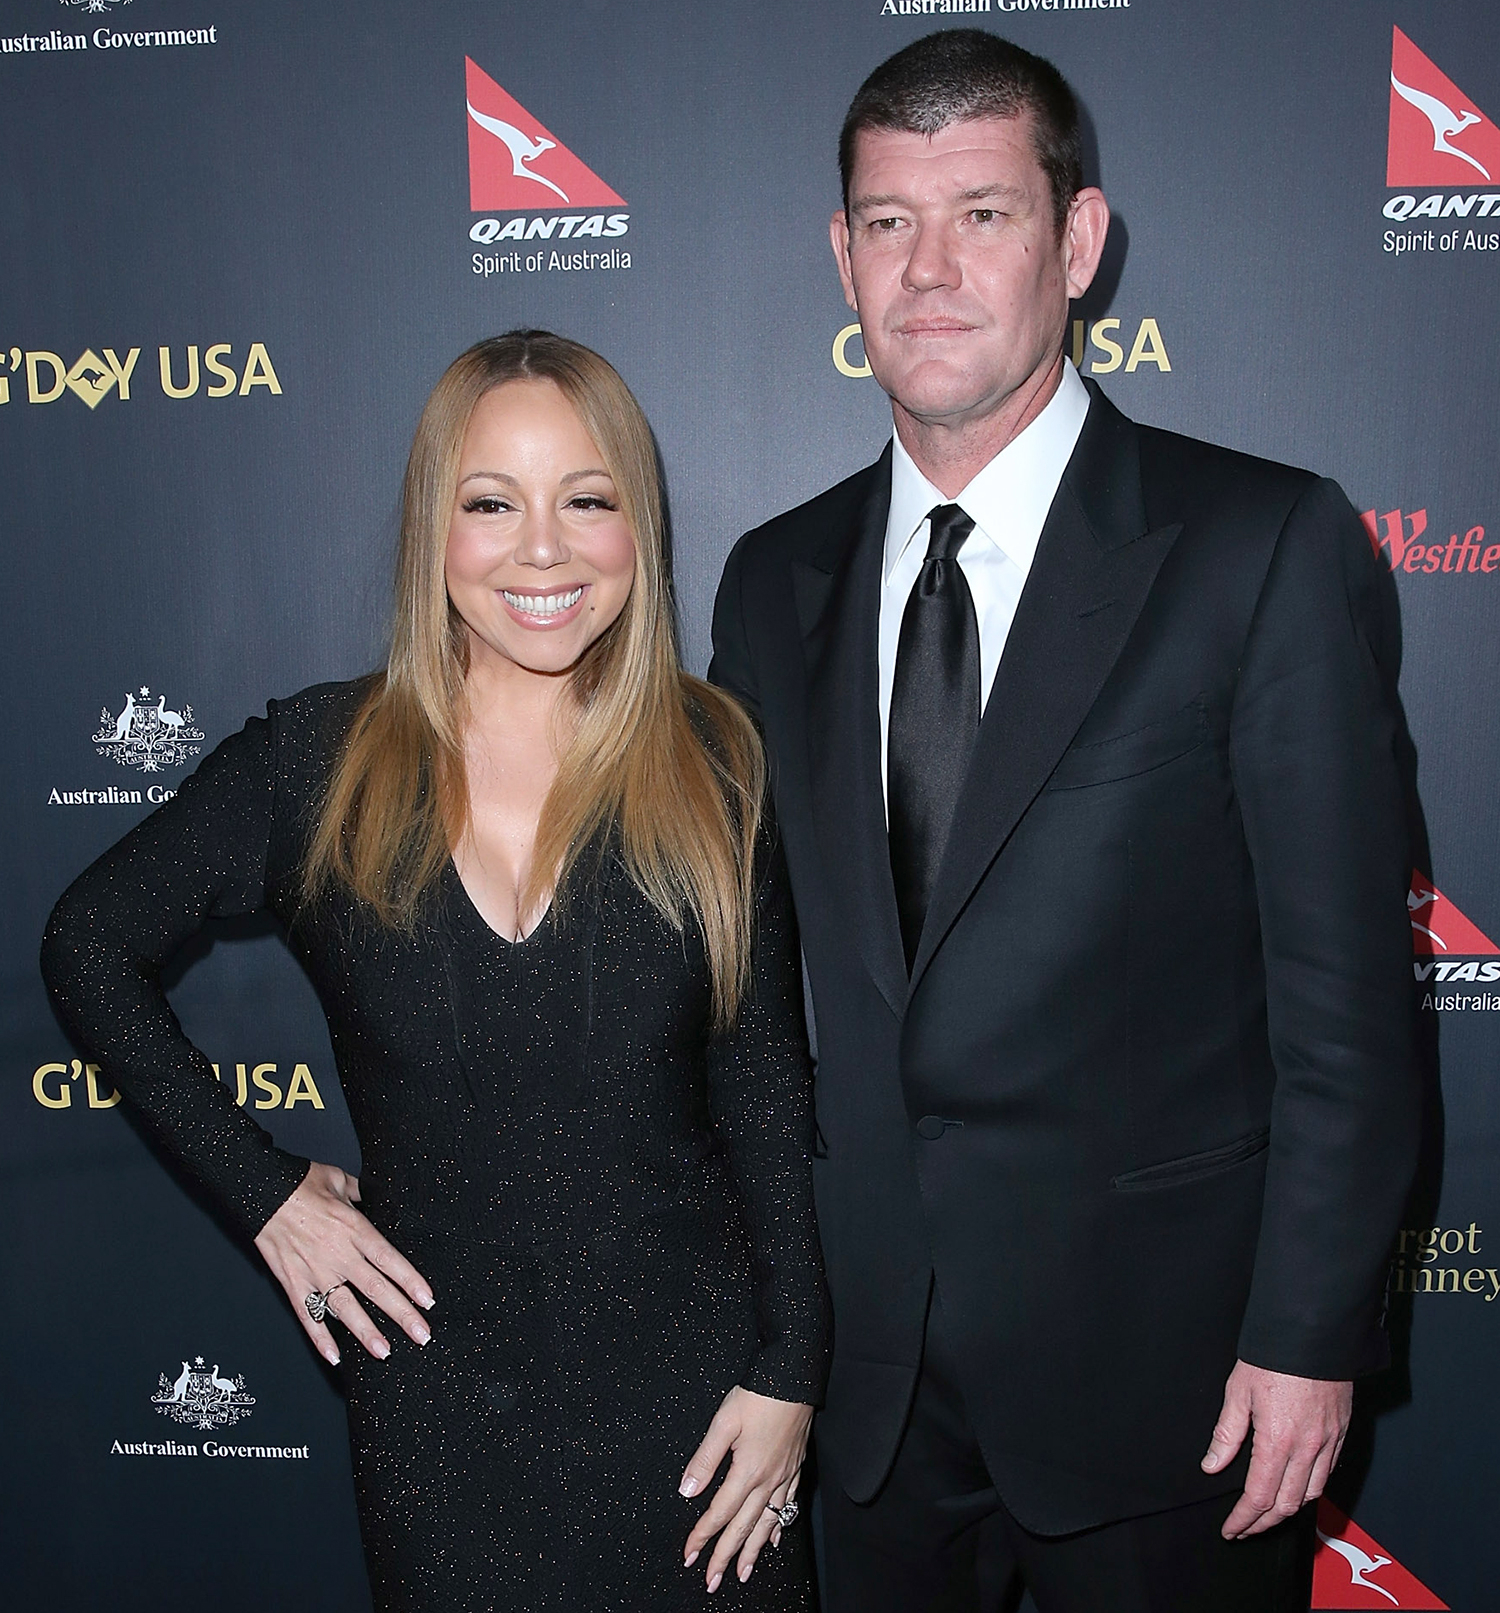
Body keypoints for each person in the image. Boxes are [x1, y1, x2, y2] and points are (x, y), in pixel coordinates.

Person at [709, 30, 1418, 1613]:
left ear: (1079, 242)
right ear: (841, 256)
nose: (931, 270)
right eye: (890, 222)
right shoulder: (774, 581)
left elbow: (1349, 1009)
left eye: (984, 215)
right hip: (871, 1384)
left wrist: (1309, 1336)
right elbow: (753, 984)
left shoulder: (1257, 545)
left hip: (1170, 1387)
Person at [42, 332, 829, 1611]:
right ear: (433, 530)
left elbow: (761, 1084)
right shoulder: (317, 759)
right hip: (438, 1417)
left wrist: (792, 1366)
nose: (543, 548)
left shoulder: (714, 760)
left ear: (638, 524)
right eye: (490, 503)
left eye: (587, 498)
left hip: (701, 1405)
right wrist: (267, 1195)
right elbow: (85, 944)